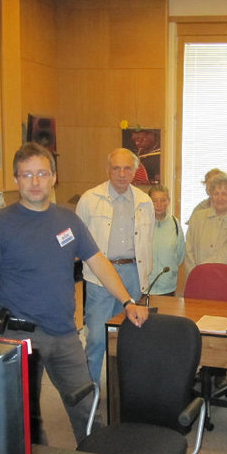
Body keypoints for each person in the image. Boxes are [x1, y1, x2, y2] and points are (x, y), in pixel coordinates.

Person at [0, 142, 148, 446]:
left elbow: (99, 263)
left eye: (41, 173)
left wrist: (127, 302)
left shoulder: (68, 220)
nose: (35, 181)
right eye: (27, 175)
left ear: (53, 177)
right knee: (26, 418)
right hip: (21, 334)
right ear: (15, 180)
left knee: (86, 408)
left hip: (65, 333)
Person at [76, 148, 155, 386]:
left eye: (127, 168)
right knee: (97, 338)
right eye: (116, 168)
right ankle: (91, 392)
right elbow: (78, 239)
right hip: (99, 276)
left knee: (130, 338)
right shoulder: (90, 199)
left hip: (132, 274)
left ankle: (127, 391)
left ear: (134, 171)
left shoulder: (144, 201)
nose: (121, 174)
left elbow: (147, 242)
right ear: (107, 170)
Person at [184, 173, 227, 389]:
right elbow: (189, 249)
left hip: (224, 286)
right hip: (198, 286)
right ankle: (201, 367)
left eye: (225, 193)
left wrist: (202, 271)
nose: (220, 197)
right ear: (210, 195)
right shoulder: (198, 217)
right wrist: (195, 275)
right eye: (216, 193)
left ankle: (220, 371)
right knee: (198, 328)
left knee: (222, 329)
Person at [147, 184, 185, 295]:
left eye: (163, 200)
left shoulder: (175, 224)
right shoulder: (142, 223)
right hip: (145, 287)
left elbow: (180, 254)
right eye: (154, 201)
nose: (159, 205)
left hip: (168, 287)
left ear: (168, 201)